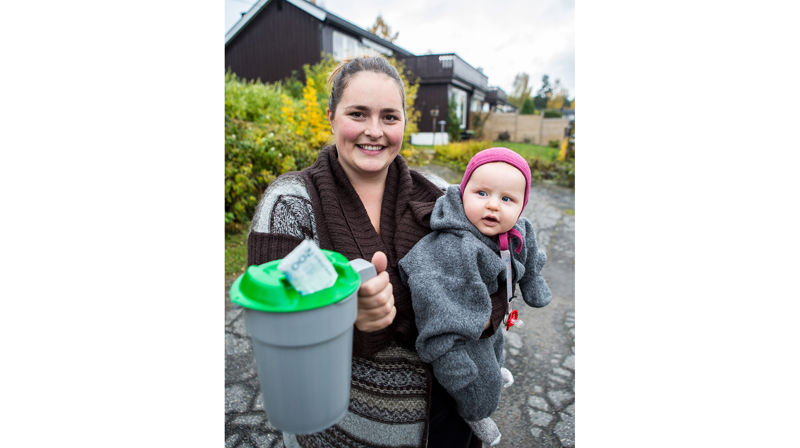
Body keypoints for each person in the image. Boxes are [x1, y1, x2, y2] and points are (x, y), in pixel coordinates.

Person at [247, 56, 502, 447]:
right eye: (358, 114)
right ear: (331, 117)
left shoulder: (440, 196)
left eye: (389, 117)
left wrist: (487, 315)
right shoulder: (290, 204)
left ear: (404, 123)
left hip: (448, 422)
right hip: (342, 432)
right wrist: (347, 319)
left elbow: (497, 274)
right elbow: (275, 331)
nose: (374, 131)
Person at [398, 147, 553, 446]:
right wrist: (454, 362)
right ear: (463, 191)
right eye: (482, 193)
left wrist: (532, 283)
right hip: (459, 329)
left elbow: (530, 253)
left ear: (521, 206)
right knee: (475, 383)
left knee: (495, 347)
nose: (493, 205)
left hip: (489, 318)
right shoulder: (453, 248)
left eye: (507, 199)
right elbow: (441, 320)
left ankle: (490, 374)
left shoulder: (517, 228)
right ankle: (475, 412)